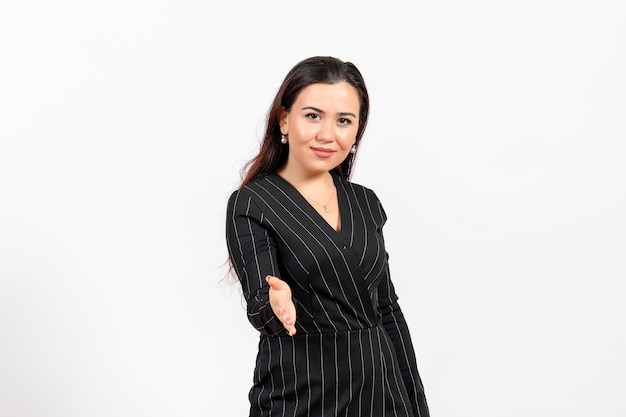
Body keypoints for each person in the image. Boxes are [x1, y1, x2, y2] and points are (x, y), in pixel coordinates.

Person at [225, 56, 430, 417]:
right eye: (313, 116)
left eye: (344, 121)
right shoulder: (252, 203)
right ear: (284, 119)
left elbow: (387, 309)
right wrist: (276, 305)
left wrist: (415, 403)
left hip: (383, 395)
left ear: (356, 132)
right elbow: (261, 302)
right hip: (302, 395)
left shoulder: (365, 202)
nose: (327, 134)